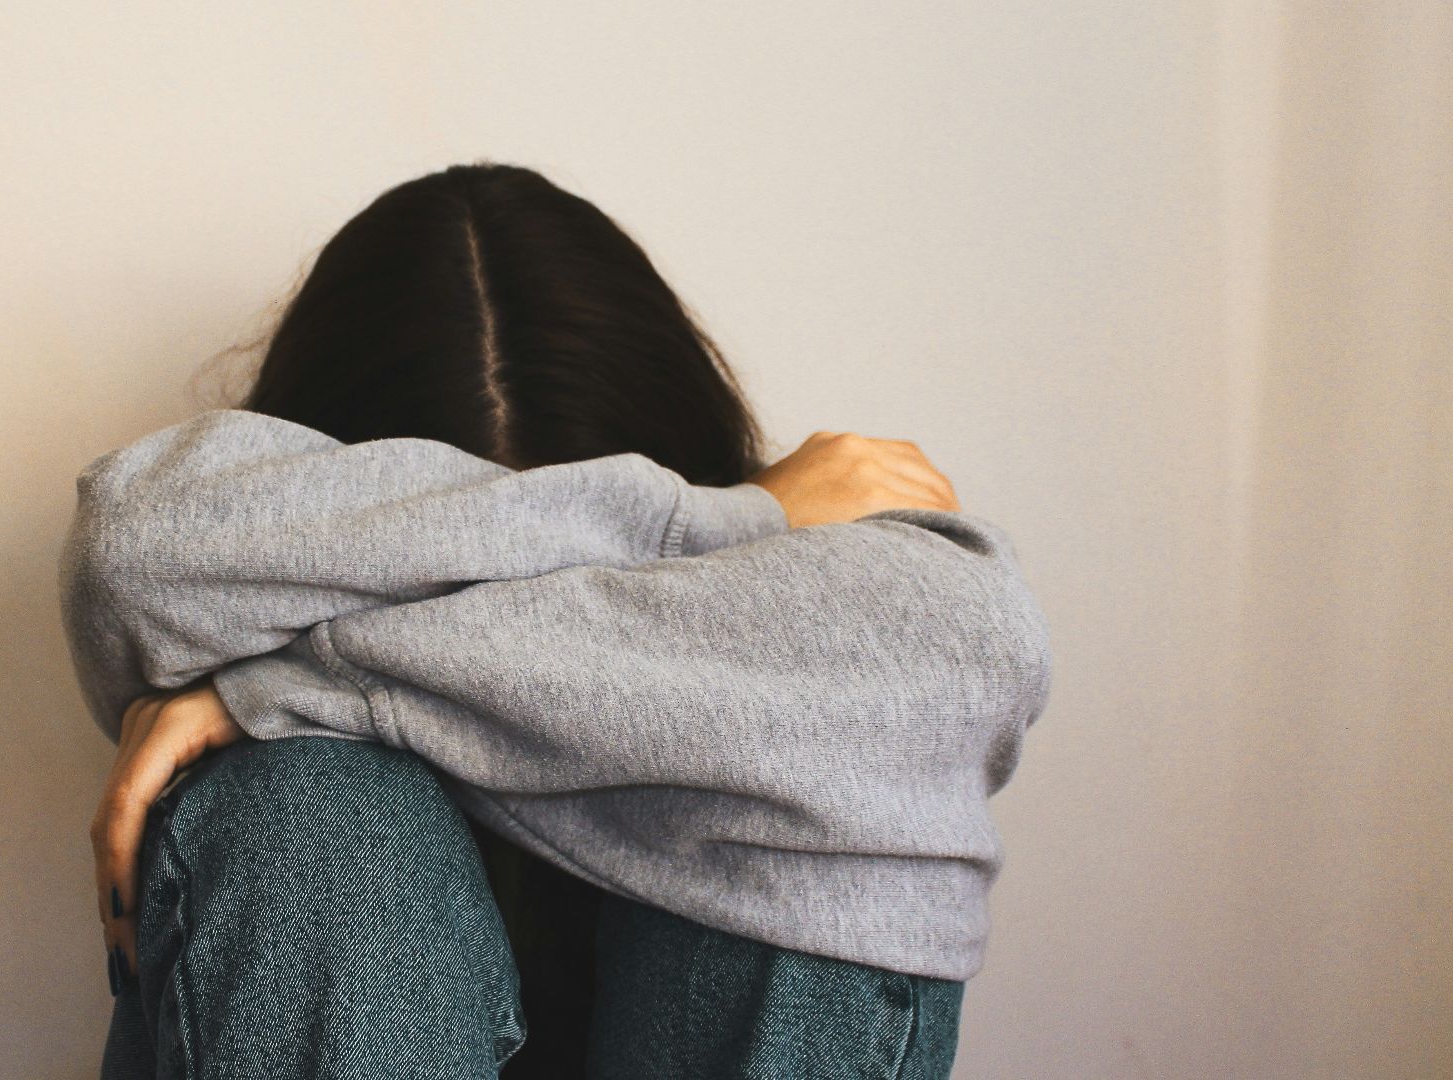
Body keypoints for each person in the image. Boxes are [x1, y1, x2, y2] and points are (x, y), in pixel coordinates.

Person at [58, 162, 1053, 1079]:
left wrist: (281, 681)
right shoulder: (741, 531)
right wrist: (722, 526)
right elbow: (133, 551)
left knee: (818, 782)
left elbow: (978, 645)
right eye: (451, 568)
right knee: (300, 799)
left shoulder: (801, 589)